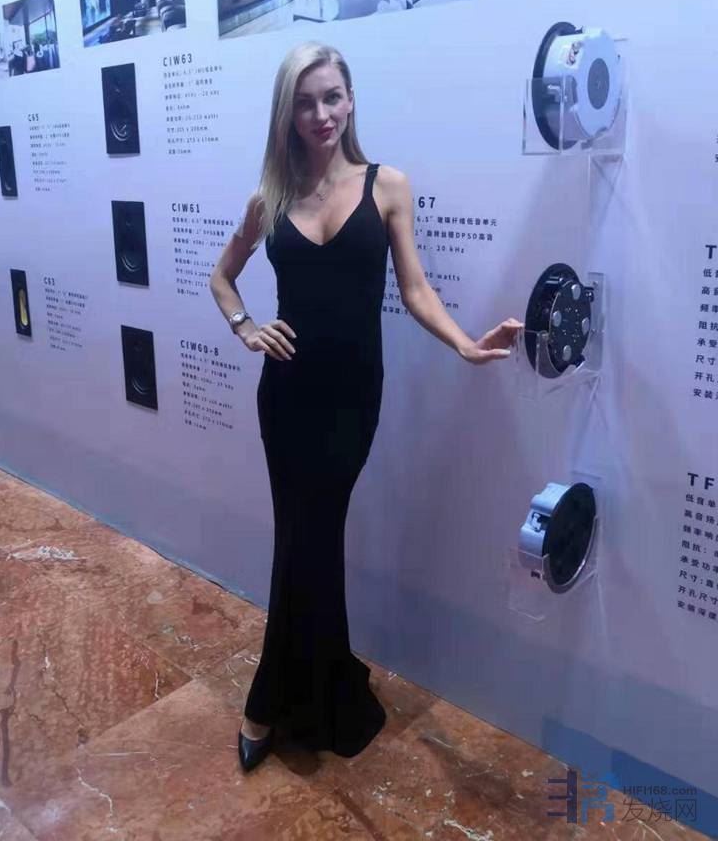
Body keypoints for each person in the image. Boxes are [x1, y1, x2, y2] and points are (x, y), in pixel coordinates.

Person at [208, 41, 522, 772]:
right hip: (286, 394)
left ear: (350, 101)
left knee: (311, 537)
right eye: (305, 102)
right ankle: (308, 690)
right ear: (287, 114)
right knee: (302, 538)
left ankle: (275, 699)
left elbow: (414, 290)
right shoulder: (268, 198)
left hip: (352, 396)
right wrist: (246, 327)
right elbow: (222, 277)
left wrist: (465, 345)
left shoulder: (388, 186)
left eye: (332, 97)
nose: (321, 114)